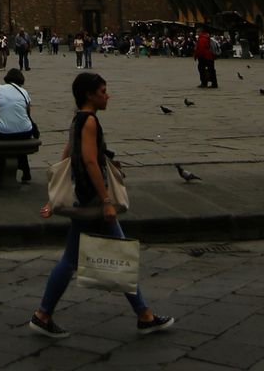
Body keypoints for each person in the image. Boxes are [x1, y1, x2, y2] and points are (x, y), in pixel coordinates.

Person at [28, 72, 174, 339]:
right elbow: (89, 161)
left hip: (84, 199)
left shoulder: (77, 119)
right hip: (93, 200)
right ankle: (144, 315)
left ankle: (44, 314)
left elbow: (66, 157)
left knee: (74, 259)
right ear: (89, 95)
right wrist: (106, 200)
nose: (108, 96)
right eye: (103, 91)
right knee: (116, 253)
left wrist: (54, 197)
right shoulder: (90, 121)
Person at [0, 68, 38, 184]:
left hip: (4, 132)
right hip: (26, 131)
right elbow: (28, 113)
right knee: (19, 135)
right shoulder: (24, 92)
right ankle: (25, 169)